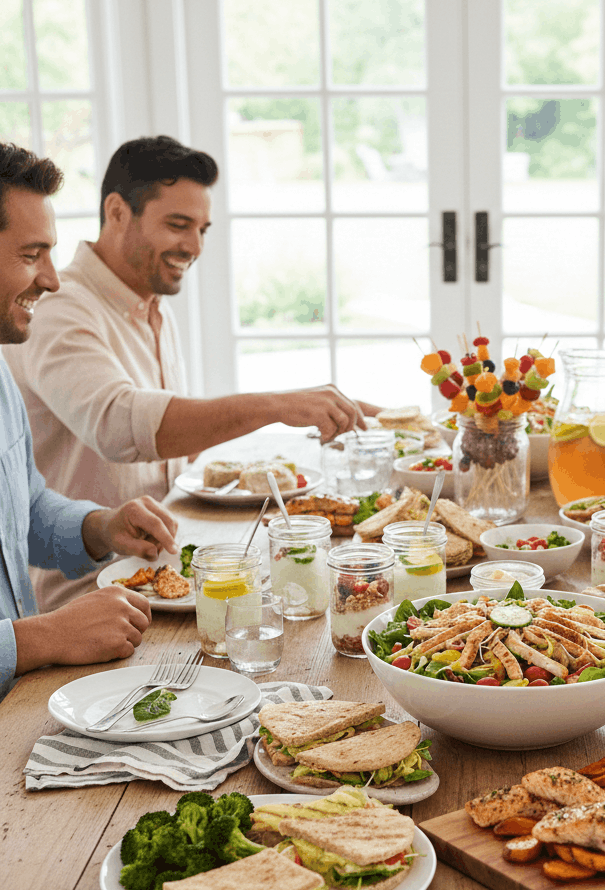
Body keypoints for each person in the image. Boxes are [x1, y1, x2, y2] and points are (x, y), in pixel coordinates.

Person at [4, 135, 379, 609]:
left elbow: (168, 448)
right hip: (88, 595)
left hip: (166, 574)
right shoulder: (60, 307)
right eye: (178, 225)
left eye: (202, 229)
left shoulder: (150, 305)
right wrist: (278, 406)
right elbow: (121, 426)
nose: (194, 246)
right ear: (117, 212)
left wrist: (285, 435)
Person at [0, 142, 179, 700]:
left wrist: (100, 527)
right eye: (32, 255)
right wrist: (38, 639)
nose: (52, 280)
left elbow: (24, 508)